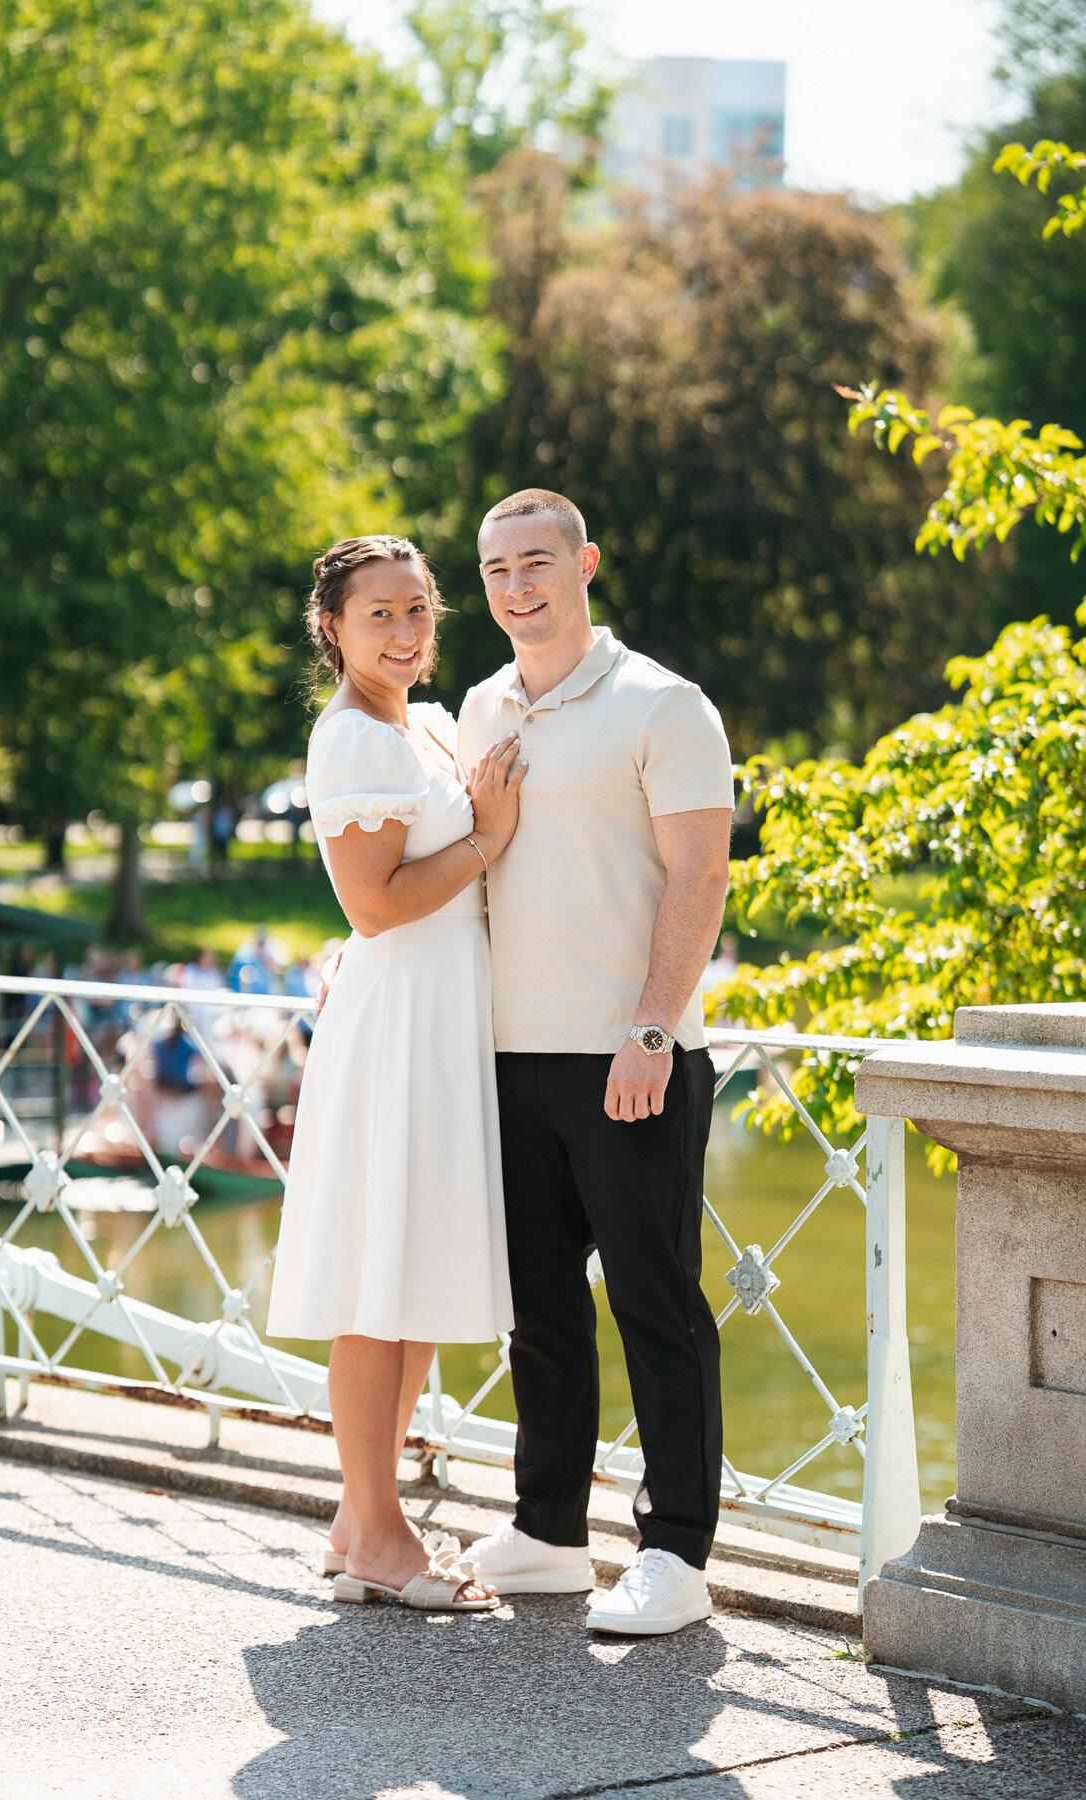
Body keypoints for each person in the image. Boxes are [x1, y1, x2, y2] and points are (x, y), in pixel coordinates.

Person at [458, 489, 734, 1636]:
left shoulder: (664, 703)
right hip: (506, 1057)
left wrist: (652, 1029)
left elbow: (699, 877)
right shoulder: (478, 707)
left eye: (536, 564)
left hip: (631, 1058)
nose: (517, 588)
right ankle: (548, 1532)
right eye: (496, 571)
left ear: (586, 566)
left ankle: (675, 1551)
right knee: (538, 1311)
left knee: (655, 1304)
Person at [266, 534, 526, 1616]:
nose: (408, 632)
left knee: (408, 1275)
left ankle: (358, 1517)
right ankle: (378, 1529)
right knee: (379, 1283)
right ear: (333, 628)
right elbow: (371, 906)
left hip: (438, 1013)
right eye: (381, 614)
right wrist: (488, 839)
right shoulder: (353, 741)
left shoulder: (419, 723)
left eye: (420, 610)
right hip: (400, 1020)